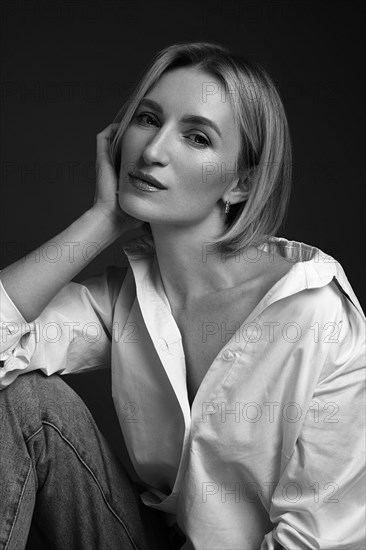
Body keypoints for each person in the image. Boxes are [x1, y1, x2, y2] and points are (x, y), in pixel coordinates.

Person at [0, 41, 365, 550]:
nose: (152, 151)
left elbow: (320, 539)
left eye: (196, 137)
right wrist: (101, 220)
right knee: (18, 400)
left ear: (240, 184)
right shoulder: (127, 298)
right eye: (148, 119)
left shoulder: (316, 317)